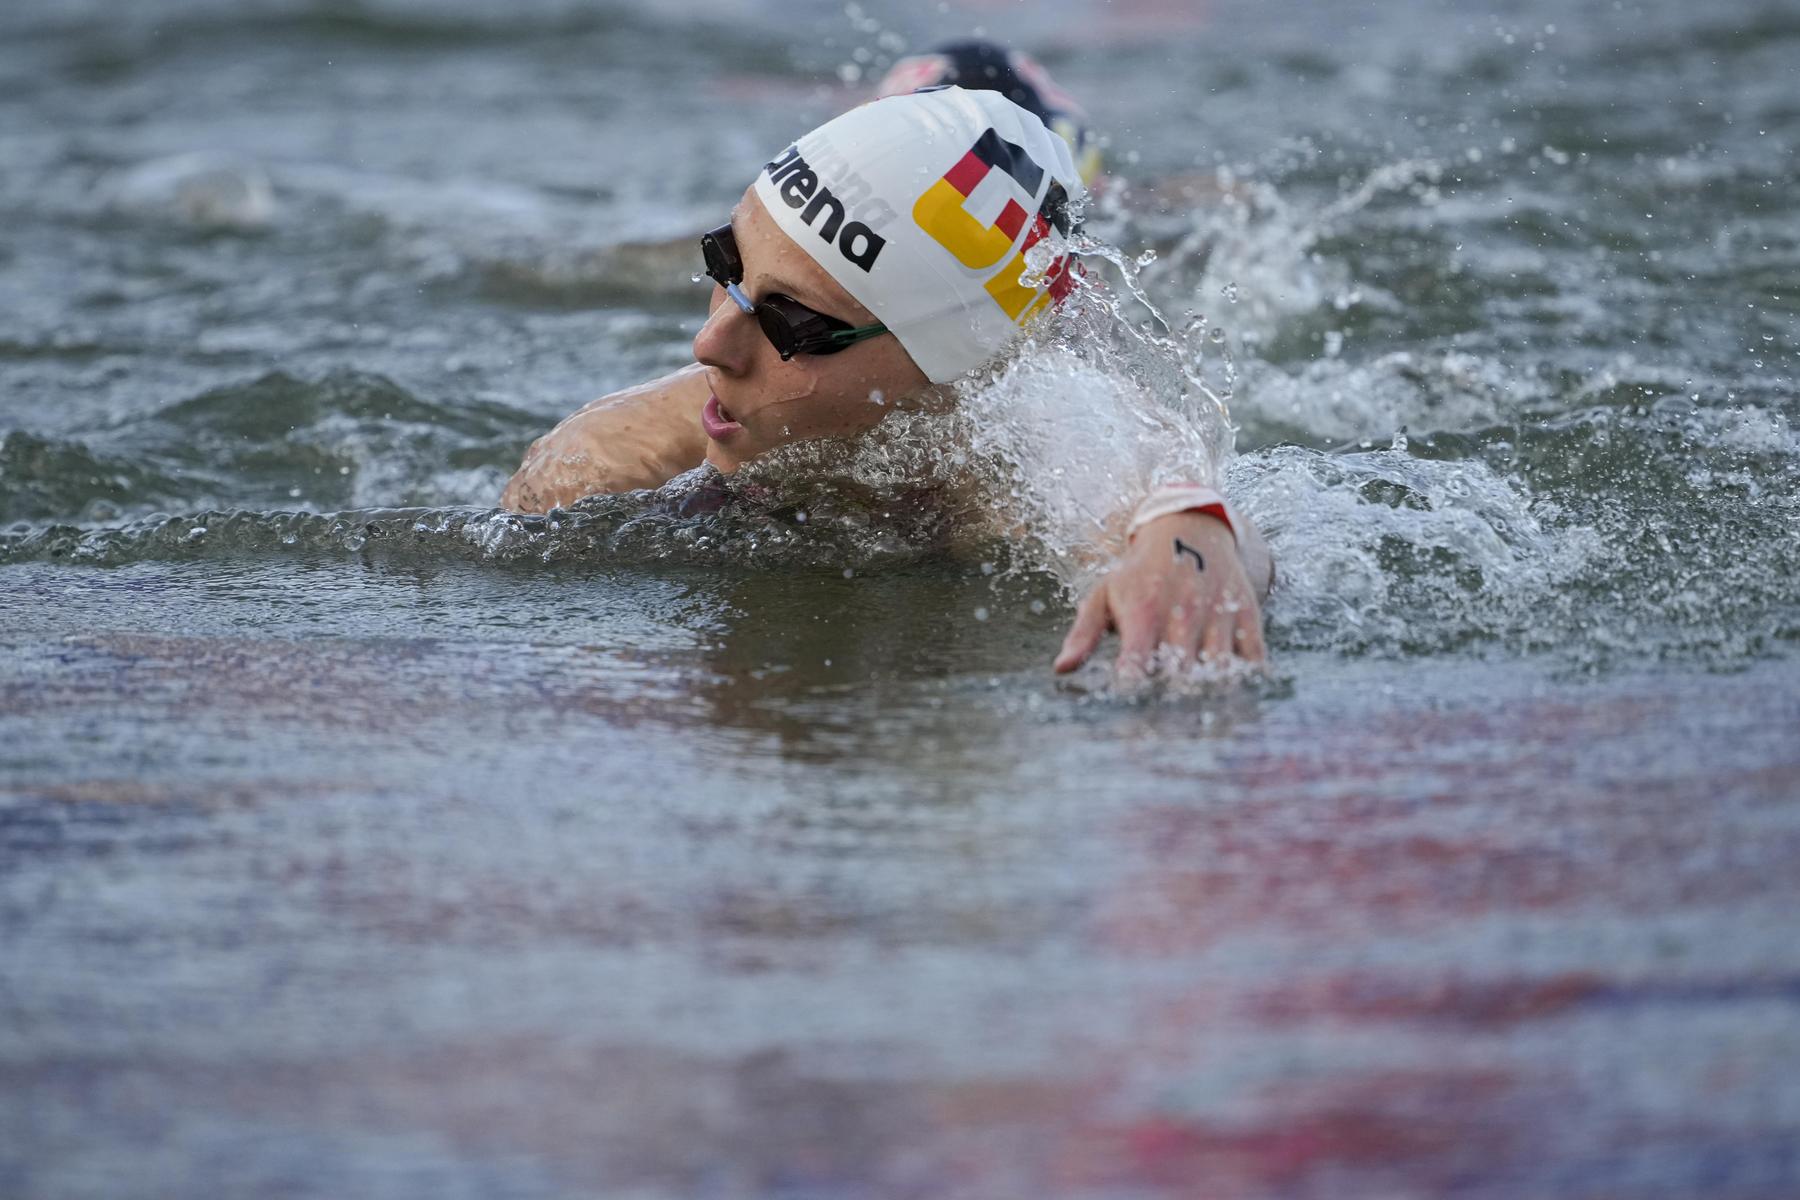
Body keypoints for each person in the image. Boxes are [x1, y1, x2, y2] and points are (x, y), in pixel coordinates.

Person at [501, 84, 1273, 677]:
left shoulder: (1009, 458)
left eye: (792, 323)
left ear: (949, 375)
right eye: (723, 264)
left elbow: (1169, 503)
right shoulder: (614, 458)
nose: (710, 343)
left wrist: (1194, 535)